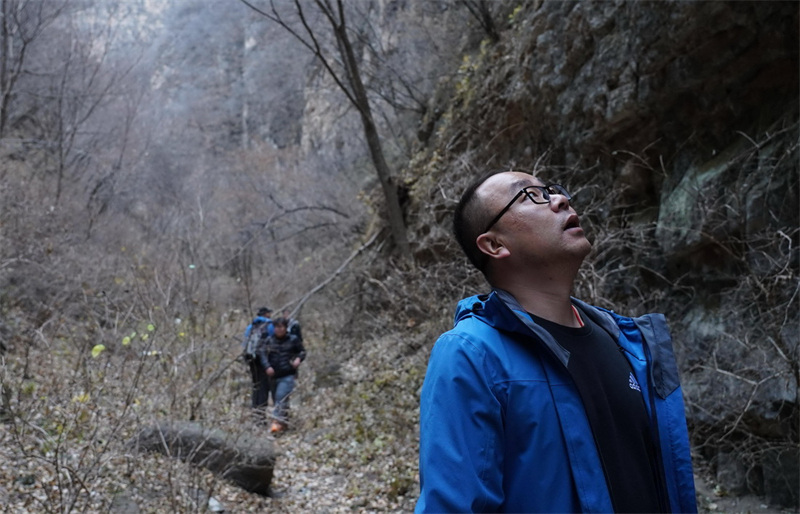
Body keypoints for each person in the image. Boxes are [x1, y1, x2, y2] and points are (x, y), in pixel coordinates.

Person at [416, 170, 697, 513]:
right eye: (529, 196)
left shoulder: (626, 341)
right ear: (494, 244)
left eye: (551, 190)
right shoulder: (471, 354)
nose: (561, 199)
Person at [258, 316, 306, 434]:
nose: (279, 330)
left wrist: (298, 359)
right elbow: (262, 354)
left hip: (288, 374)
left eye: (281, 327)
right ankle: (284, 423)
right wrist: (267, 366)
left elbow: (302, 351)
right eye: (276, 327)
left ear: (286, 328)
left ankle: (276, 424)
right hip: (273, 376)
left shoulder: (293, 339)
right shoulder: (269, 340)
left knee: (281, 397)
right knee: (278, 401)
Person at [241, 307, 274, 421]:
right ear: (266, 314)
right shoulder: (270, 325)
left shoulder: (250, 326)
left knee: (256, 385)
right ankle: (261, 414)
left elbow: (244, 344)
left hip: (251, 359)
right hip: (264, 359)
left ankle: (254, 411)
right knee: (264, 386)